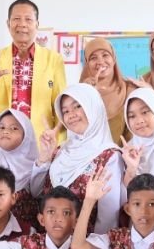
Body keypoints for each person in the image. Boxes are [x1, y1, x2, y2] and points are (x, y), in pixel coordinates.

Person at [0, 0, 67, 154]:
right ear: (8, 24)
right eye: (17, 19)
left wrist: (58, 143)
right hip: (2, 143)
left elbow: (60, 106)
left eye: (28, 19)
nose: (22, 24)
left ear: (37, 24)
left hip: (39, 142)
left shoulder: (53, 60)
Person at [43, 85, 122, 234]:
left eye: (77, 106)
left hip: (86, 242)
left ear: (93, 107)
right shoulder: (60, 150)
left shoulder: (109, 156)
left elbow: (108, 216)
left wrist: (92, 247)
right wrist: (44, 157)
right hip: (49, 241)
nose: (71, 115)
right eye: (65, 111)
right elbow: (38, 193)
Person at [0, 109, 47, 231]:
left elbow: (37, 193)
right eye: (1, 127)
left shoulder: (36, 165)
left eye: (14, 128)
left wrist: (43, 161)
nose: (6, 131)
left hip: (26, 235)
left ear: (26, 135)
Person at [78, 38, 137, 145]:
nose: (100, 62)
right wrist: (87, 95)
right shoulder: (79, 93)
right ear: (87, 63)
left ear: (113, 59)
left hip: (121, 154)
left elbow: (135, 135)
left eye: (105, 55)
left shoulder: (129, 90)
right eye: (93, 58)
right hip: (86, 153)